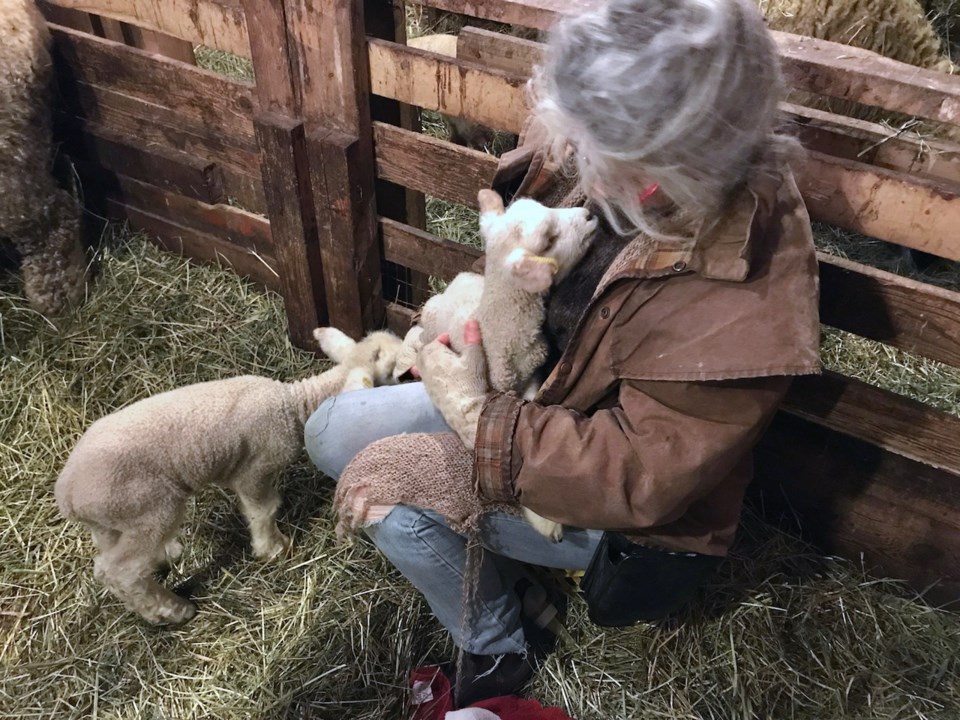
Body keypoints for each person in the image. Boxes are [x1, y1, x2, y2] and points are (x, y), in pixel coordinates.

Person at [305, 0, 820, 707]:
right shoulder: (624, 137)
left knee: (379, 486)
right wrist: (480, 313)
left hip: (628, 521)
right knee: (325, 429)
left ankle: (499, 642)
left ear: (673, 152)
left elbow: (640, 474)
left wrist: (480, 419)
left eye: (597, 146)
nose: (575, 157)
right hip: (536, 397)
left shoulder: (743, 293)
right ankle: (505, 566)